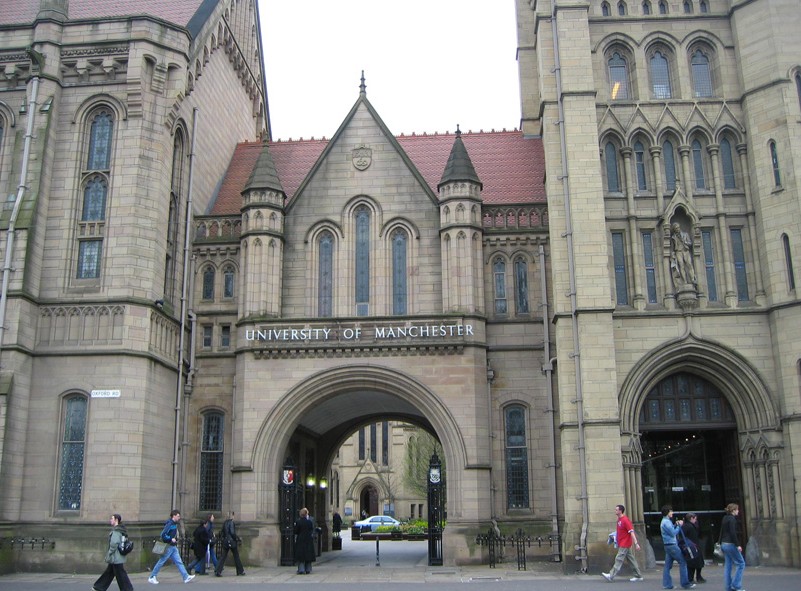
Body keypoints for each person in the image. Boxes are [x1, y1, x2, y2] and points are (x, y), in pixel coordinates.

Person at [148, 509, 194, 585]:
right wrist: (170, 539)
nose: (179, 517)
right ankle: (152, 576)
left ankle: (186, 577)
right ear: (174, 516)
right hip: (168, 546)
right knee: (161, 561)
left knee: (179, 562)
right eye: (178, 516)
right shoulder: (170, 524)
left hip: (172, 546)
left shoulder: (174, 524)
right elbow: (163, 534)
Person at [602, 504, 643, 582]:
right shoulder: (619, 520)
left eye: (616, 510)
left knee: (619, 558)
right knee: (631, 560)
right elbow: (621, 532)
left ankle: (611, 575)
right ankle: (638, 575)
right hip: (623, 543)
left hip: (625, 543)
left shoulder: (625, 520)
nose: (615, 511)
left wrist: (636, 543)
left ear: (620, 511)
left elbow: (631, 532)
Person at [92, 513, 133, 591]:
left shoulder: (116, 531)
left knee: (121, 574)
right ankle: (99, 587)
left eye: (112, 519)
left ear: (116, 520)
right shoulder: (121, 530)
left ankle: (127, 589)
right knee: (109, 572)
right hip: (118, 556)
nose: (110, 520)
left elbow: (114, 543)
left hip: (115, 556)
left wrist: (110, 552)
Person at [661, 505, 694, 590]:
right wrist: (679, 526)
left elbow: (671, 530)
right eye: (671, 511)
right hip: (672, 545)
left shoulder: (665, 521)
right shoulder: (666, 522)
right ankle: (685, 583)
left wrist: (675, 524)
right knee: (683, 562)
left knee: (667, 566)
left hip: (667, 545)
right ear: (667, 512)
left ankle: (667, 584)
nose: (672, 513)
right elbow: (673, 533)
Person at [721, 503, 745, 591]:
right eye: (737, 509)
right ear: (733, 510)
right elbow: (733, 533)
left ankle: (728, 587)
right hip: (730, 544)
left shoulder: (725, 518)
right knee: (741, 563)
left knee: (728, 565)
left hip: (724, 543)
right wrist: (737, 545)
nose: (738, 511)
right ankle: (736, 585)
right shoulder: (732, 519)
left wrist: (720, 543)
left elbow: (722, 531)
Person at [215, 511, 245, 577]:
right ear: (232, 516)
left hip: (226, 542)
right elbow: (232, 533)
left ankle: (218, 570)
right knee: (236, 556)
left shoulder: (225, 523)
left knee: (223, 557)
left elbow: (222, 532)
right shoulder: (231, 522)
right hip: (231, 541)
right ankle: (240, 571)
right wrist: (237, 538)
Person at [681, 513, 706, 584]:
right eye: (695, 519)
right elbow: (694, 537)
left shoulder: (686, 526)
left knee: (693, 562)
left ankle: (692, 577)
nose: (696, 520)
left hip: (690, 546)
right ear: (691, 518)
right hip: (693, 546)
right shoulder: (690, 527)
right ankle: (695, 577)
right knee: (695, 562)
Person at [294, 507, 316, 575]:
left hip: (301, 539)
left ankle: (301, 569)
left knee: (301, 555)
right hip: (308, 539)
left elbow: (296, 531)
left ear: (300, 514)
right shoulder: (309, 522)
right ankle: (308, 569)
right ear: (306, 514)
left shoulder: (298, 522)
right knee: (308, 554)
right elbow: (311, 529)